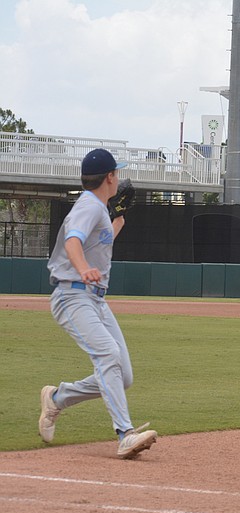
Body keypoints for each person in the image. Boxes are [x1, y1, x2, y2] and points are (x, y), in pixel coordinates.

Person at [39, 148, 158, 458]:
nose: (119, 176)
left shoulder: (98, 208)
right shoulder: (89, 207)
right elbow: (72, 241)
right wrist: (82, 268)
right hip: (73, 294)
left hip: (94, 300)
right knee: (108, 355)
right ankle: (125, 434)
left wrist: (118, 218)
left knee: (123, 374)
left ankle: (58, 397)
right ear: (109, 176)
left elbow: (99, 241)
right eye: (116, 172)